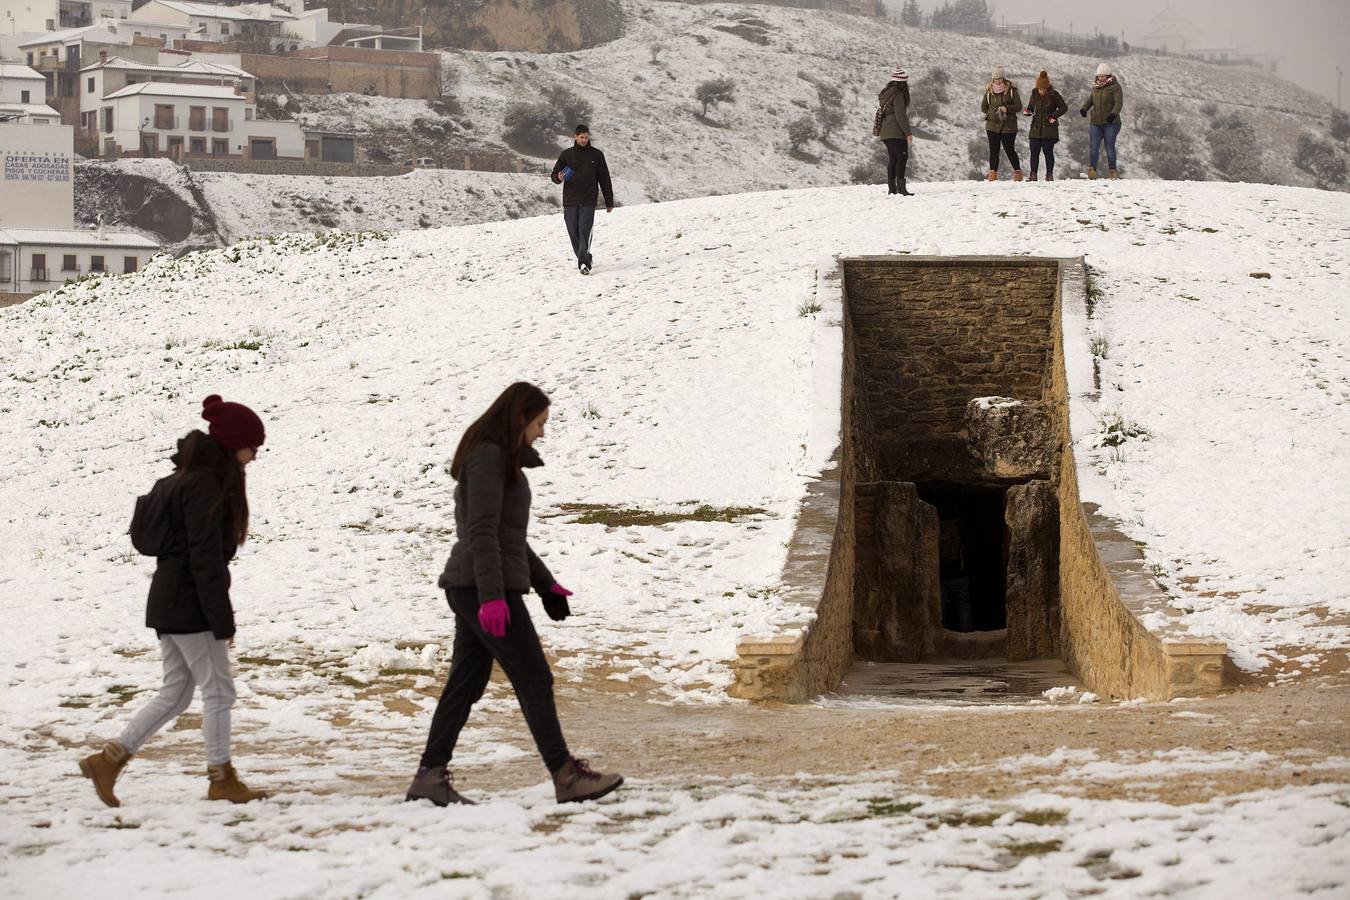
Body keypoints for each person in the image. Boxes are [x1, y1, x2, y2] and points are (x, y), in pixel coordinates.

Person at [407, 382, 623, 807]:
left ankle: (429, 777)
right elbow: (481, 533)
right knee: (534, 677)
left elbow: (510, 538)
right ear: (520, 418)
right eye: (540, 423)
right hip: (481, 588)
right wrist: (492, 598)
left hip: (478, 586)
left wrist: (546, 584)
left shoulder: (499, 460)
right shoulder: (488, 458)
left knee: (464, 684)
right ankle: (565, 774)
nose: (542, 433)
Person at [78, 396, 270, 807]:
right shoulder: (204, 485)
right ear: (234, 443)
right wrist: (222, 620)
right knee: (219, 692)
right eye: (253, 446)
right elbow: (204, 558)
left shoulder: (186, 478)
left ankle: (108, 761)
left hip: (170, 601)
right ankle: (221, 779)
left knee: (177, 694)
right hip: (189, 604)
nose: (255, 455)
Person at [550, 124, 614, 275]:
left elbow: (604, 179)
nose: (584, 140)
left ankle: (583, 263)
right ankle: (585, 256)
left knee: (584, 231)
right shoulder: (566, 154)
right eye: (581, 137)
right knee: (574, 233)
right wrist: (558, 177)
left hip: (588, 200)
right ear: (576, 136)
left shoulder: (597, 155)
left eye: (586, 137)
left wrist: (609, 201)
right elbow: (554, 175)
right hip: (570, 201)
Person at [1080, 62, 1124, 179]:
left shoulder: (1115, 87)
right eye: (1099, 76)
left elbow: (1119, 103)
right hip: (1096, 122)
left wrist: (1114, 114)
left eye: (1104, 76)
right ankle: (1092, 171)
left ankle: (1112, 171)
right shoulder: (1095, 88)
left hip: (1111, 123)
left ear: (1108, 76)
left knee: (1109, 147)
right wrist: (1084, 109)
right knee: (1093, 148)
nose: (1101, 78)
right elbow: (1090, 100)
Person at [1023, 70, 1068, 181]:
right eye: (1040, 89)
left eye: (1044, 89)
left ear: (1048, 88)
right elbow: (1030, 108)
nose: (1042, 91)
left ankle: (1049, 174)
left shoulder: (1054, 95)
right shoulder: (1034, 95)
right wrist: (1027, 112)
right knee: (1034, 152)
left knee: (1048, 152)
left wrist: (1054, 116)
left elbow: (1064, 107)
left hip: (1049, 129)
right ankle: (1033, 174)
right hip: (1035, 128)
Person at [875, 66, 914, 196]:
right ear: (902, 83)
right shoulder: (898, 94)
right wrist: (908, 133)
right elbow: (900, 115)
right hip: (895, 131)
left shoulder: (886, 93)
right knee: (902, 157)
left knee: (893, 158)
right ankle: (901, 189)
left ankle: (892, 189)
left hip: (885, 131)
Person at [981, 67, 1024, 182]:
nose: (997, 82)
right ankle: (992, 174)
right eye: (995, 79)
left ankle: (1017, 173)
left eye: (999, 79)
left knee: (1009, 149)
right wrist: (993, 113)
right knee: (993, 150)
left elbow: (1019, 106)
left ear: (1003, 78)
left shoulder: (1011, 91)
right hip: (992, 126)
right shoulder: (989, 92)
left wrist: (1007, 109)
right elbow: (983, 107)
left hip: (1008, 126)